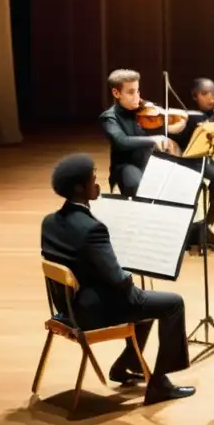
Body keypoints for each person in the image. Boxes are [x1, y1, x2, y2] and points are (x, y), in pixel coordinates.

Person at [40, 154, 194, 405]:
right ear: (80, 187)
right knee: (172, 303)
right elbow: (117, 281)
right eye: (93, 179)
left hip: (68, 308)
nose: (97, 183)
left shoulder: (49, 222)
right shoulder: (92, 228)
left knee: (145, 302)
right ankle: (160, 383)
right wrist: (131, 272)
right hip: (93, 312)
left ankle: (127, 364)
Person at [99, 69, 186, 197]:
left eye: (138, 91)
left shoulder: (147, 112)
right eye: (131, 92)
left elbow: (165, 129)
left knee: (177, 185)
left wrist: (175, 126)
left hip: (149, 163)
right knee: (138, 186)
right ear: (116, 93)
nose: (137, 97)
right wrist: (154, 140)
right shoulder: (109, 118)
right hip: (126, 167)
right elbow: (121, 141)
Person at [169, 77, 214, 247]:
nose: (210, 98)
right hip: (185, 162)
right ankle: (186, 232)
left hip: (205, 160)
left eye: (213, 94)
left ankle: (205, 227)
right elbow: (169, 137)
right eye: (205, 94)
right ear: (195, 95)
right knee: (195, 190)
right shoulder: (185, 117)